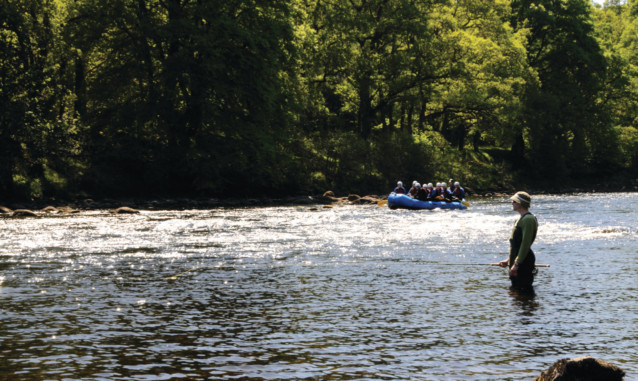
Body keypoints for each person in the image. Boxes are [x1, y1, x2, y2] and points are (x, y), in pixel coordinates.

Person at [499, 191, 538, 291]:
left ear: (520, 203)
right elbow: (516, 245)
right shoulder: (519, 219)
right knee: (516, 294)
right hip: (517, 261)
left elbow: (525, 244)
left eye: (514, 201)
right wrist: (508, 261)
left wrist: (516, 265)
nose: (512, 203)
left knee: (524, 292)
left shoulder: (528, 219)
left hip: (523, 263)